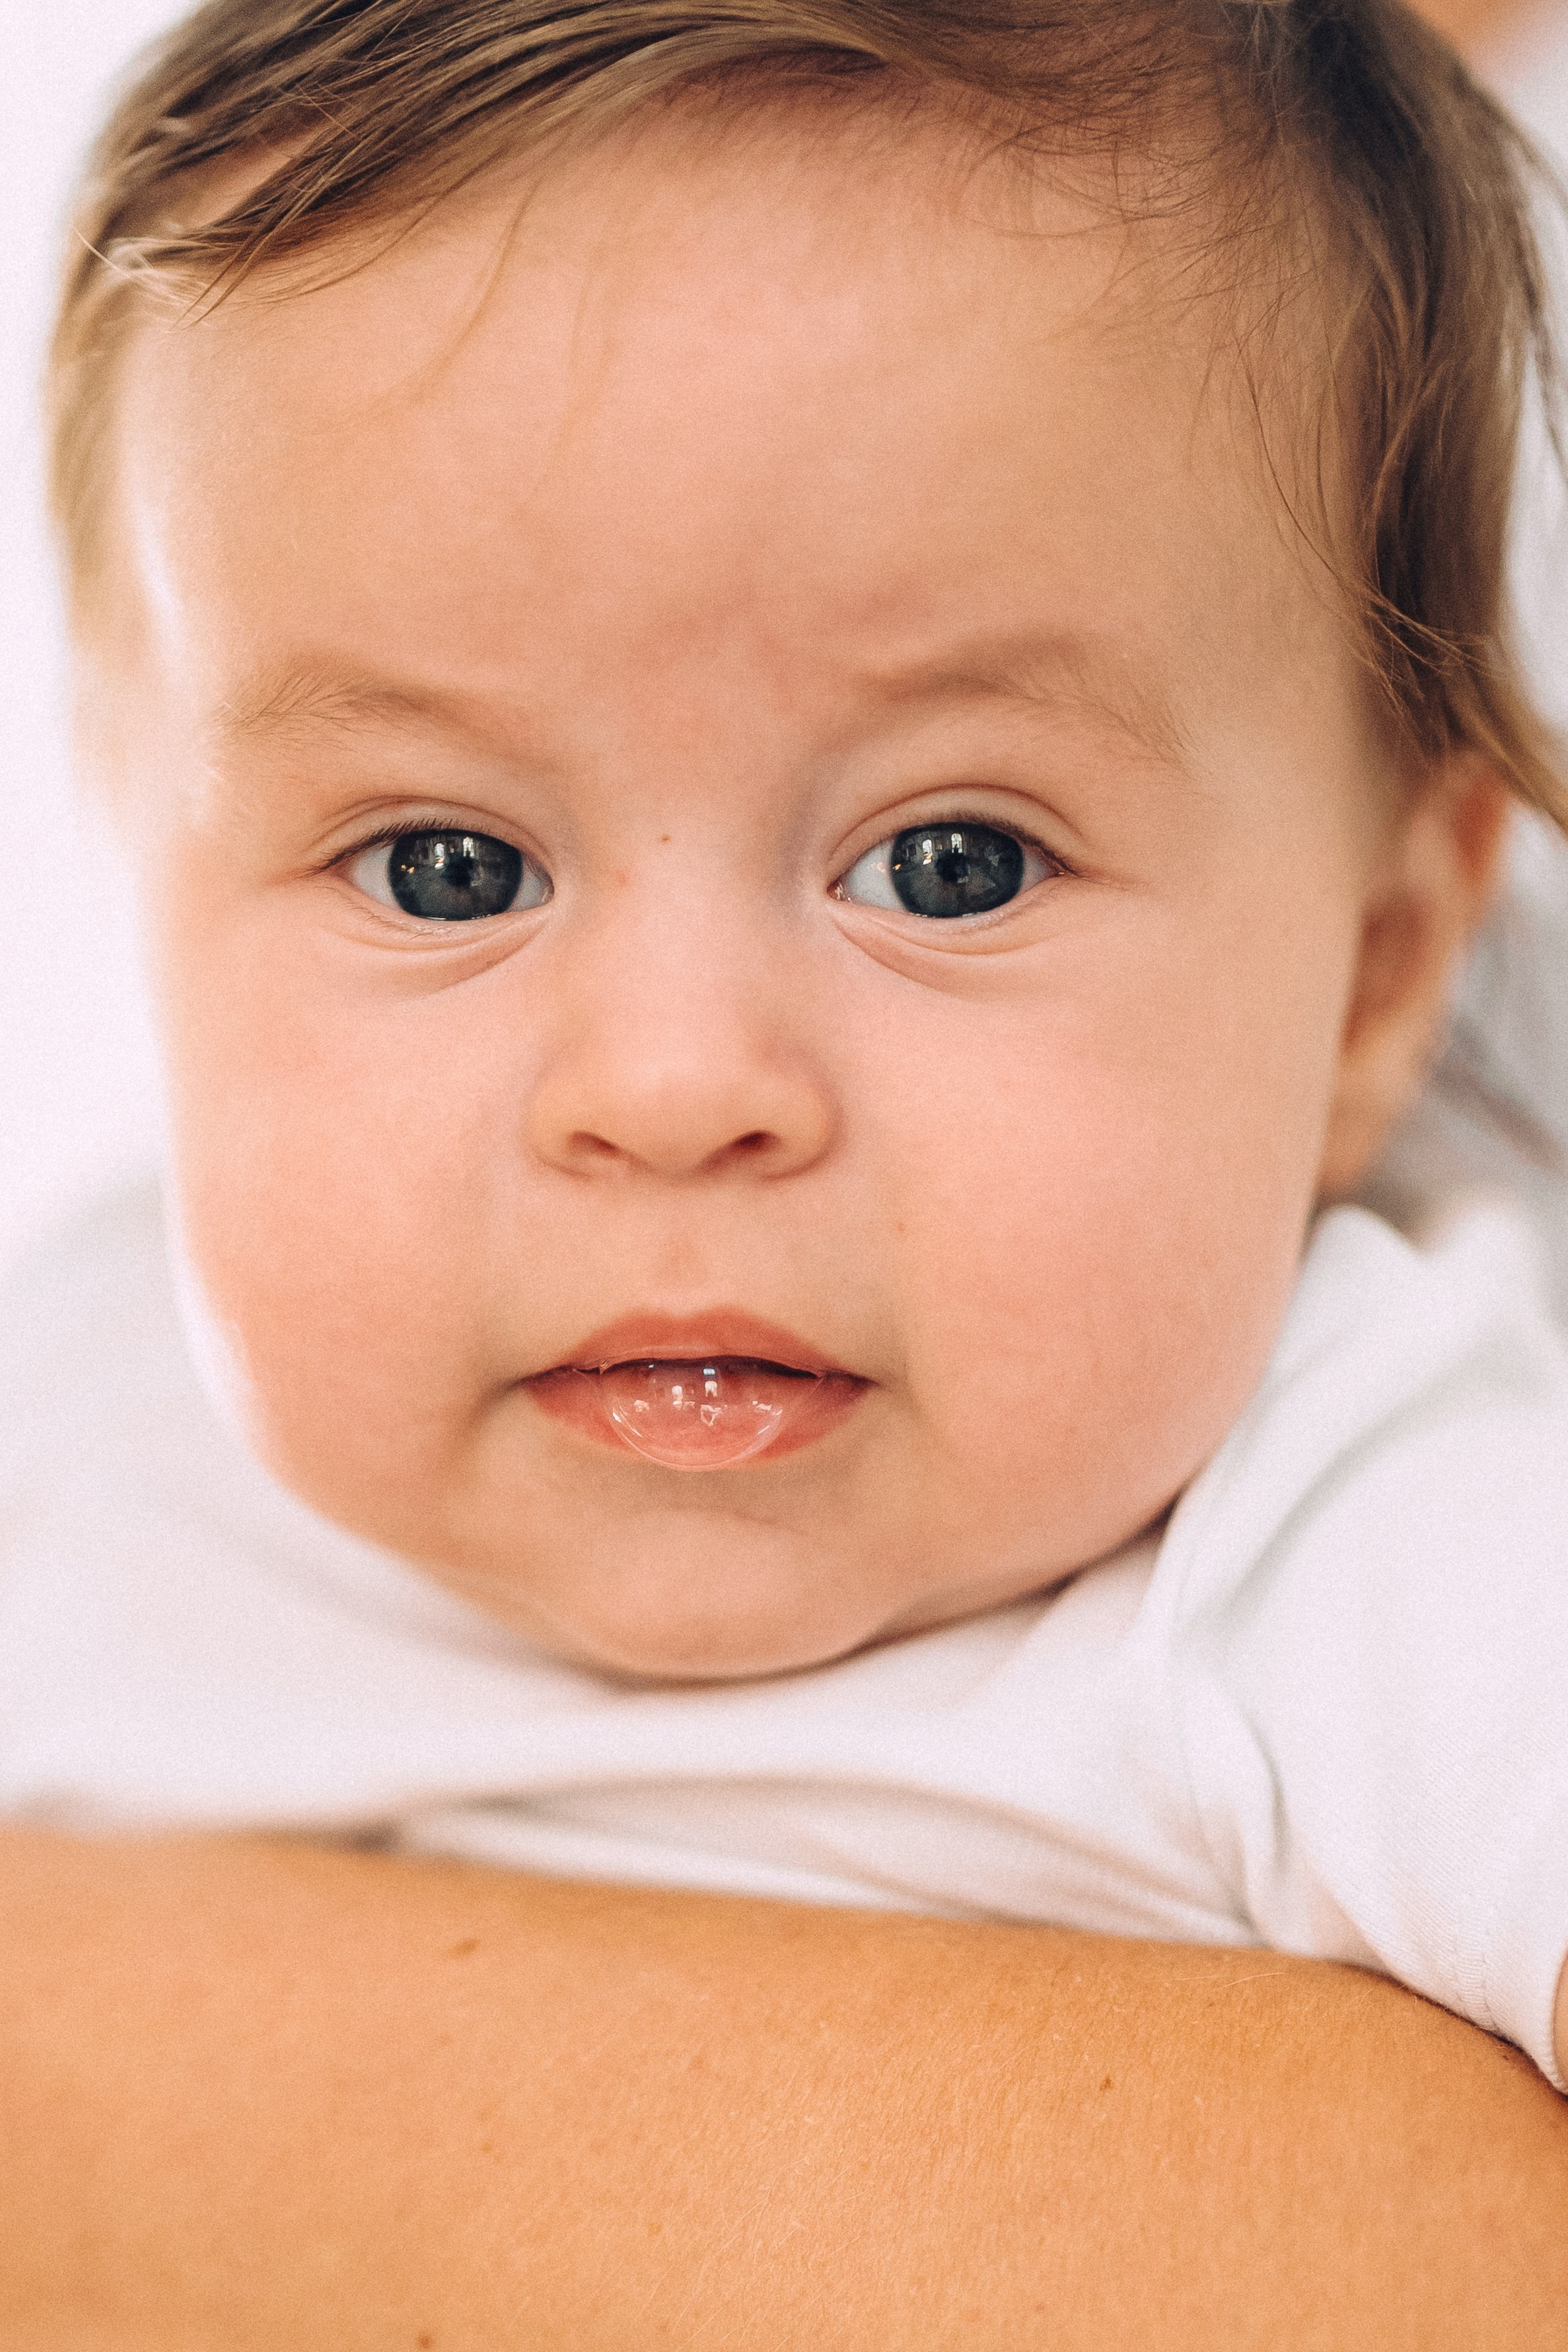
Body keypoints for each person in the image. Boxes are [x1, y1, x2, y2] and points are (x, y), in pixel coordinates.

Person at [6, 1, 1568, 2340]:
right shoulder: (73, 1426)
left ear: (1369, 976)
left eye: (948, 859)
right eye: (443, 866)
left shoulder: (1363, 1550)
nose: (671, 1086)